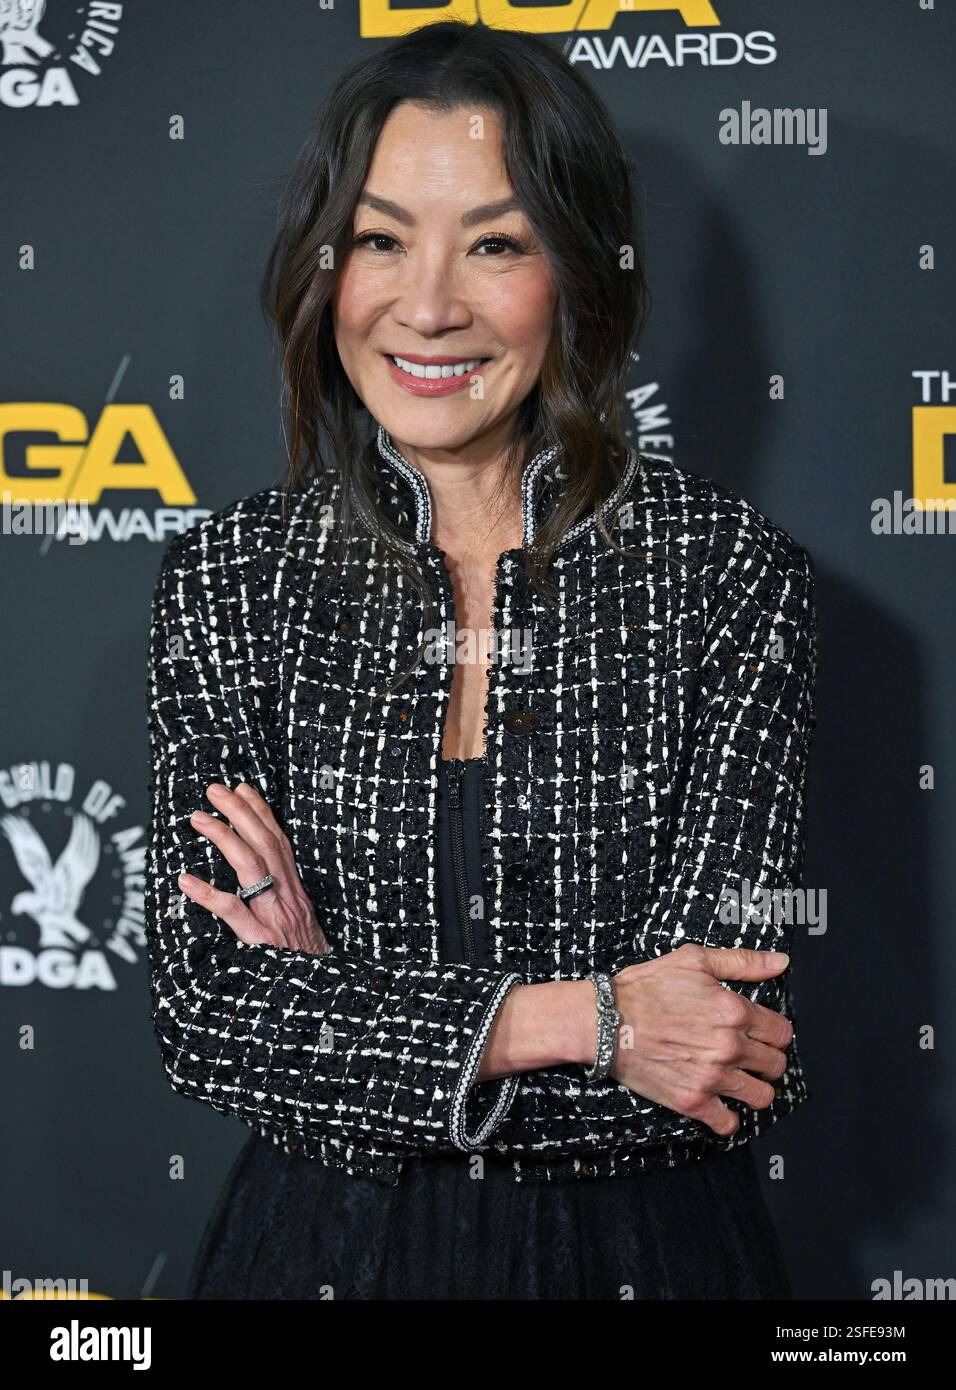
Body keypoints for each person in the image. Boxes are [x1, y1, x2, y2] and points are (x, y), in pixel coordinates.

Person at [144, 20, 818, 1300]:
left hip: (646, 1259)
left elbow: (713, 1061)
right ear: (324, 265)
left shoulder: (727, 576)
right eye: (383, 238)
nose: (430, 304)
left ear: (576, 269)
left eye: (495, 243)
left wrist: (339, 1015)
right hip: (312, 1260)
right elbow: (210, 1017)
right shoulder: (230, 580)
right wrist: (587, 1020)